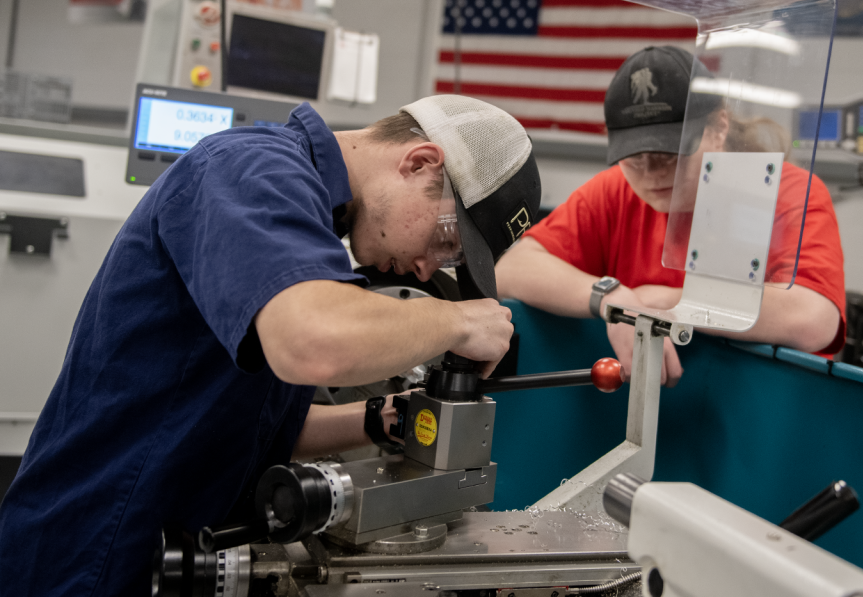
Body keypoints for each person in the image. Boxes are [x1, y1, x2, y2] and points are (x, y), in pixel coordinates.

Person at [0, 94, 541, 595]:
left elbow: (251, 421)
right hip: (93, 555)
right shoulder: (252, 170)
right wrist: (453, 321)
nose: (427, 267)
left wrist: (378, 420)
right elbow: (311, 341)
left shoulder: (304, 220)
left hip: (166, 553)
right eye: (445, 242)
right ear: (419, 162)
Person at [496, 46, 845, 385]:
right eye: (634, 160)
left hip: (760, 407)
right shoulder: (615, 189)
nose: (650, 174)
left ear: (719, 127)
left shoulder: (787, 191)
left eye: (668, 156)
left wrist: (665, 301)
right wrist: (612, 298)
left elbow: (814, 319)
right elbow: (512, 269)